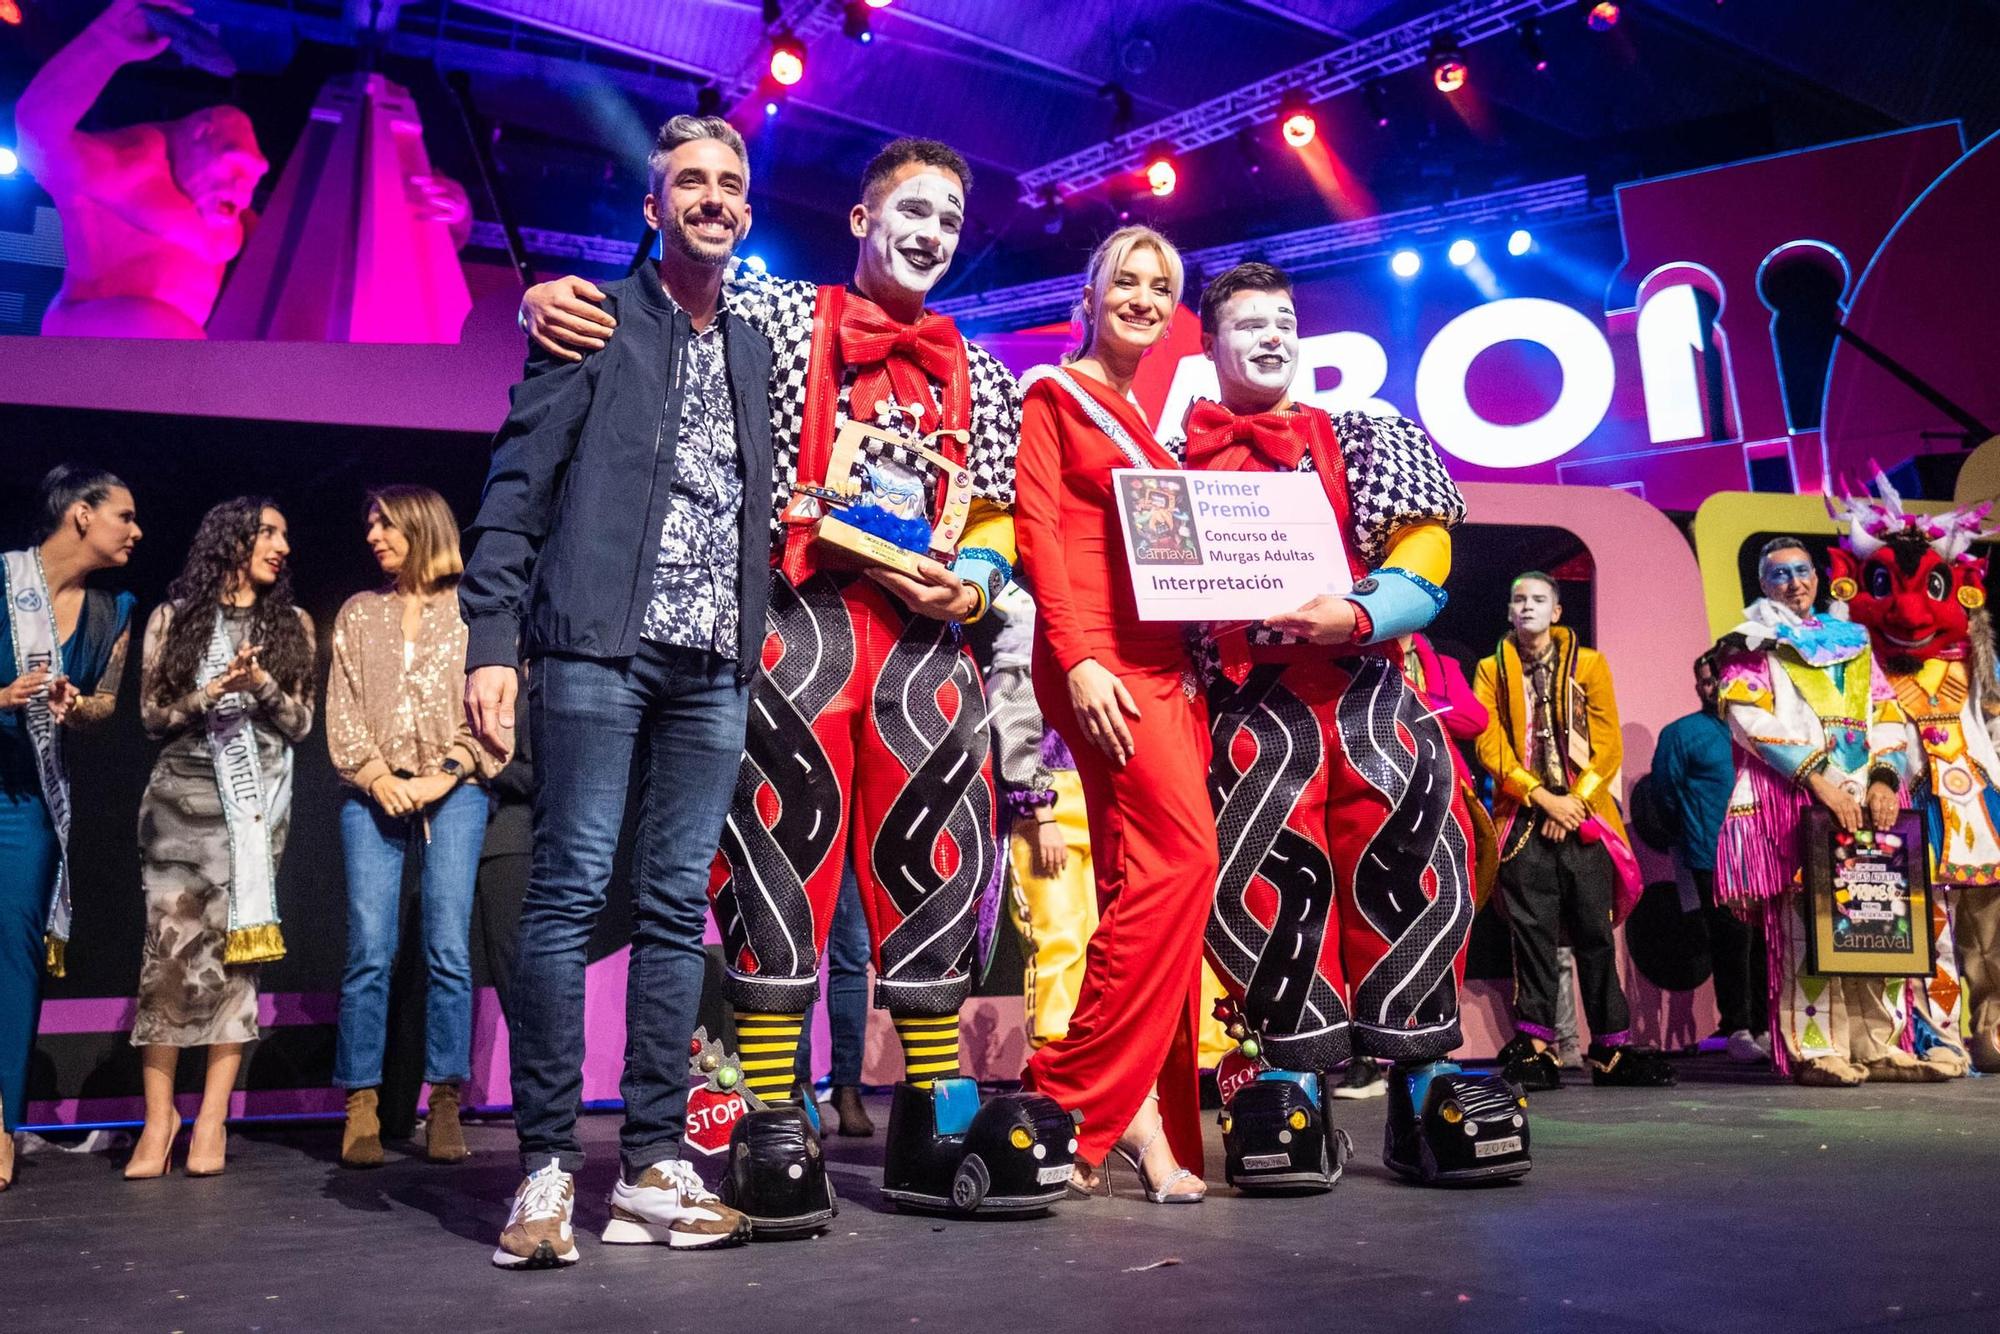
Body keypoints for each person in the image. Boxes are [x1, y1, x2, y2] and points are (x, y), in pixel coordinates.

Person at [519, 137, 1030, 1221]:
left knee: (932, 866)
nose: (930, 232)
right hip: (793, 635)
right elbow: (664, 303)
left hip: (925, 656)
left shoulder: (982, 372)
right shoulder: (776, 318)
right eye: (910, 210)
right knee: (775, 870)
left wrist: (974, 582)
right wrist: (545, 299)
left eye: (948, 216)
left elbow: (988, 514)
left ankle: (930, 1117)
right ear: (859, 220)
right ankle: (771, 1115)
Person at [461, 114, 768, 1265]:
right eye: (688, 181)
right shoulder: (589, 316)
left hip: (710, 669)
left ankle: (648, 1163)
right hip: (596, 648)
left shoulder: (748, 340)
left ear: (746, 208)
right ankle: (543, 1166)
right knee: (566, 889)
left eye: (729, 183)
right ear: (653, 208)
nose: (711, 197)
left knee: (671, 906)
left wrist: (746, 640)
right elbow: (514, 483)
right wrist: (492, 637)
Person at [1179, 262, 1522, 1186]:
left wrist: (1360, 609)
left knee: (1408, 869)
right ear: (1209, 345)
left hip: (1370, 696)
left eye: (1285, 321)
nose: (1271, 336)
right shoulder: (1173, 459)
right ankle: (1291, 1077)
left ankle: (1423, 1084)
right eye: (1248, 323)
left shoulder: (1363, 432)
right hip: (1251, 710)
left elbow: (1427, 546)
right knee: (1266, 888)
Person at [1013, 224, 1213, 1203]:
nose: (1140, 296)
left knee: (1150, 878)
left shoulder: (1147, 421)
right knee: (1182, 860)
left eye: (1158, 285)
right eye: (1123, 280)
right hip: (1099, 658)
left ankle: (1142, 1118)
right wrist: (1078, 658)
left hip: (1164, 660)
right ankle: (1071, 1088)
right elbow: (1036, 529)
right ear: (1088, 293)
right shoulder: (1054, 393)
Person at [128, 498, 314, 1178]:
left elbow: (299, 724)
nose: (282, 545)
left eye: (285, 534)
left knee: (238, 959)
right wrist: (213, 690)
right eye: (271, 532)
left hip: (253, 810)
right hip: (178, 806)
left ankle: (210, 1120)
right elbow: (152, 714)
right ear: (233, 540)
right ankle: (158, 1119)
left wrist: (259, 681)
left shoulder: (291, 625)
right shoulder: (173, 619)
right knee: (167, 957)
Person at [328, 486, 507, 1169]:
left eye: (385, 522)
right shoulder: (359, 614)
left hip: (452, 789)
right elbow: (341, 708)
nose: (373, 534)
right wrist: (376, 777)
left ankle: (444, 1100)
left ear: (421, 526)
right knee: (370, 947)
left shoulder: (471, 613)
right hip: (372, 792)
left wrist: (444, 774)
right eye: (369, 522)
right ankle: (363, 1103)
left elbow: (495, 716)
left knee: (446, 945)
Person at [1714, 534, 1917, 1086]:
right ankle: (1816, 1047)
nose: (1795, 582)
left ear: (1817, 577)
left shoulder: (1852, 639)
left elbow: (1886, 710)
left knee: (1876, 922)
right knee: (1809, 930)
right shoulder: (1750, 644)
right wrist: (1821, 781)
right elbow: (1749, 720)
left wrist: (1882, 778)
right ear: (1763, 584)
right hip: (1798, 799)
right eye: (1781, 574)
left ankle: (1877, 1042)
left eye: (1803, 571)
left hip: (1863, 797)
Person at [1474, 573, 1675, 1090]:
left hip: (1584, 817)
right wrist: (1541, 798)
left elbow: (1606, 745)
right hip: (1524, 817)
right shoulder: (1491, 669)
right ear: (1509, 610)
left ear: (1557, 612)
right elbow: (1488, 742)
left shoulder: (1589, 665)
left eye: (1538, 599)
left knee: (1594, 933)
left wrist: (1574, 803)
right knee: (1532, 936)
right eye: (1518, 598)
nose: (1527, 607)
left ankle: (1610, 1047)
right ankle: (1538, 1045)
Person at [0, 466, 140, 1191]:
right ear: (81, 516)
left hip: (26, 805)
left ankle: (1, 1125)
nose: (136, 530)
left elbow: (104, 709)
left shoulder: (111, 611)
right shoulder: (2, 581)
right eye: (124, 515)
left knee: (14, 961)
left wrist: (69, 703)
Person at [1827, 483, 1994, 1076]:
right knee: (1925, 927)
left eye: (1930, 588)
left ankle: (1992, 1027)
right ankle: (1930, 1033)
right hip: (1904, 803)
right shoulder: (1854, 659)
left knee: (1991, 929)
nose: (1910, 611)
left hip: (1979, 806)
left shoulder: (1975, 657)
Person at [15, 0, 269, 337]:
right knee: (168, 337)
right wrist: (104, 43)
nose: (242, 186)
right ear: (201, 134)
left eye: (252, 175)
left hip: (157, 359)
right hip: (93, 327)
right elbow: (37, 136)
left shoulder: (227, 206)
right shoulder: (131, 164)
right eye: (233, 164)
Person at [987, 585, 1097, 1050]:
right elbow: (1012, 716)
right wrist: (1041, 811)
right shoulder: (1029, 609)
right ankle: (1053, 1059)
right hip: (1050, 803)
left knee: (1098, 941)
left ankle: (1092, 1060)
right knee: (1058, 935)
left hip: (1098, 797)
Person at [1648, 649, 1768, 1063]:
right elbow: (1664, 793)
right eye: (1704, 680)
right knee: (1732, 940)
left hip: (1764, 853)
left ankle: (1766, 1025)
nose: (1711, 687)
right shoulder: (1682, 733)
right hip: (1711, 853)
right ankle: (1737, 1026)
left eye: (1717, 678)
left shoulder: (1760, 728)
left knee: (1767, 940)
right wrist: (1689, 832)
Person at [793, 868, 875, 1137]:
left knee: (853, 956)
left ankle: (848, 1087)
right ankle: (801, 1086)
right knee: (800, 956)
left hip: (854, 834)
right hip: (804, 831)